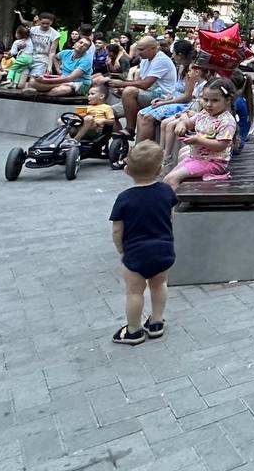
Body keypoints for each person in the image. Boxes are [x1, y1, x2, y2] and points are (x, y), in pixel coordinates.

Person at [109, 139, 176, 345]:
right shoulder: (166, 191)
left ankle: (134, 330)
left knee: (134, 293)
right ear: (160, 169)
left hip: (136, 254)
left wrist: (121, 250)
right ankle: (156, 322)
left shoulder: (125, 198)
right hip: (163, 250)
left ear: (127, 170)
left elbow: (117, 229)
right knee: (159, 285)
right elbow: (169, 216)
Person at [164, 77, 238, 190]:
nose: (208, 104)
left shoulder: (227, 121)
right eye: (205, 99)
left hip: (214, 162)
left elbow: (221, 145)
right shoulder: (204, 114)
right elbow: (189, 123)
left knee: (171, 179)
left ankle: (177, 199)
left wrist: (198, 140)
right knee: (169, 177)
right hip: (198, 157)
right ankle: (180, 196)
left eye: (214, 100)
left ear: (227, 100)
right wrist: (181, 124)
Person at [97, 36, 179, 134]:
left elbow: (145, 84)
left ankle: (129, 129)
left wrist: (122, 84)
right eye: (138, 49)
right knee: (109, 112)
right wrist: (122, 88)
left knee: (129, 91)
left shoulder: (161, 60)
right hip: (146, 95)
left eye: (141, 50)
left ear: (153, 48)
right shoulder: (145, 59)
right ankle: (119, 138)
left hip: (162, 97)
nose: (138, 52)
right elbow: (139, 82)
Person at [26, 36, 95, 97]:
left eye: (85, 45)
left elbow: (70, 78)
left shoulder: (87, 60)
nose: (82, 45)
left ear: (87, 49)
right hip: (64, 79)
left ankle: (42, 93)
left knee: (63, 89)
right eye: (80, 42)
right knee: (32, 81)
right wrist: (58, 69)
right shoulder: (66, 52)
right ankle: (67, 84)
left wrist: (46, 81)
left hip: (79, 84)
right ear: (75, 44)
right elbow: (55, 58)